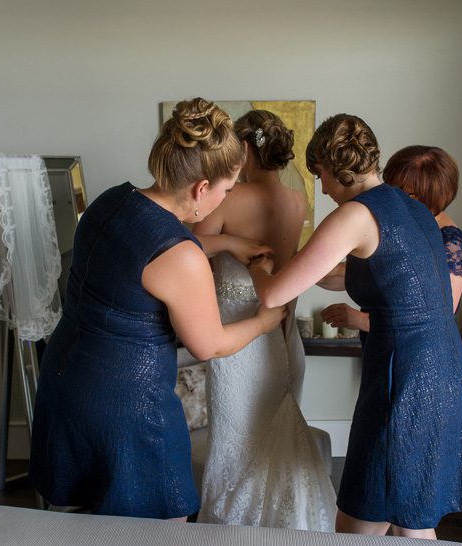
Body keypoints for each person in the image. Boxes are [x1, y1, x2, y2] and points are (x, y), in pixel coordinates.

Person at [29, 98, 287, 521]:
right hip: (127, 408)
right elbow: (209, 344)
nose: (226, 197)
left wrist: (226, 243)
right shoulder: (181, 255)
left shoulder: (111, 201)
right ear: (202, 188)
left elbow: (143, 253)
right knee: (161, 529)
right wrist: (262, 321)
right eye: (227, 189)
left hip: (66, 382)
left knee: (79, 524)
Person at [248, 114, 462, 539]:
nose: (323, 189)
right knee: (413, 518)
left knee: (360, 519)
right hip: (443, 365)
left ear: (334, 168)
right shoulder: (417, 211)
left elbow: (273, 295)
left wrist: (262, 268)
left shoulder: (354, 216)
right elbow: (392, 279)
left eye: (320, 177)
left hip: (401, 370)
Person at [193, 110, 336, 531]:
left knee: (236, 445)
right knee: (271, 437)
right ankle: (279, 528)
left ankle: (234, 530)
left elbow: (187, 247)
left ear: (247, 148)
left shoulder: (230, 199)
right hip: (281, 334)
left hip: (237, 341)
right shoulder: (298, 200)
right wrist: (236, 243)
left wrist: (228, 241)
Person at [320, 145, 462, 332]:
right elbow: (355, 277)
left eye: (399, 191)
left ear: (421, 196)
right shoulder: (405, 229)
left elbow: (438, 315)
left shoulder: (451, 243)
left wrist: (360, 320)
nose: (389, 196)